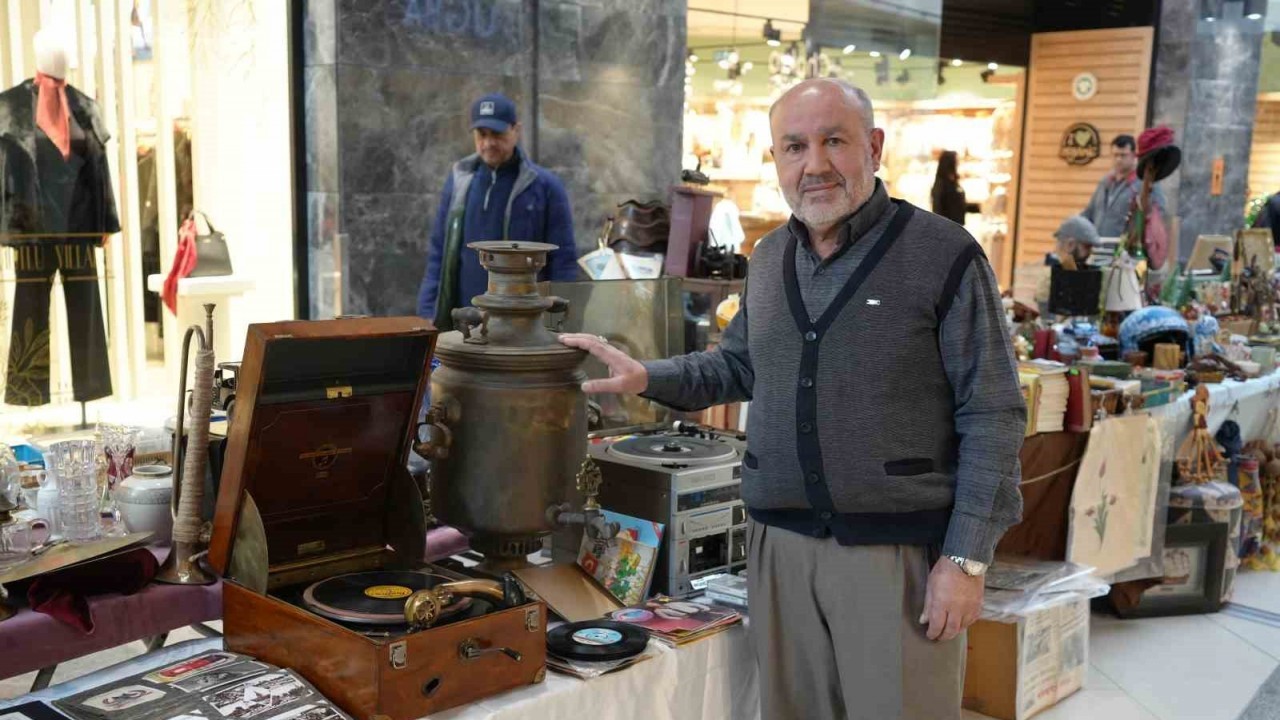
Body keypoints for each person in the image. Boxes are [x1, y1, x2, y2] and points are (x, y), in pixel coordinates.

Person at [562, 79, 1026, 719]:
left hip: (896, 556)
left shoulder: (943, 254)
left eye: (834, 140)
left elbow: (994, 412)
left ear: (875, 146)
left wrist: (966, 560)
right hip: (778, 549)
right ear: (776, 160)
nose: (815, 164)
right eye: (794, 146)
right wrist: (647, 376)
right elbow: (737, 365)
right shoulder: (771, 257)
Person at [417, 93, 577, 328]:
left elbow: (563, 260)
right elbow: (439, 252)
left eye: (497, 134)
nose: (489, 143)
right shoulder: (460, 182)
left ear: (516, 130)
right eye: (482, 134)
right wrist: (428, 310)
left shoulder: (544, 186)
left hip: (524, 324)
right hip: (464, 319)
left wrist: (561, 319)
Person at [1081, 134, 1165, 238]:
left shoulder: (1145, 183)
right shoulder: (1105, 182)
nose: (1118, 159)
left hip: (1125, 250)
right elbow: (1089, 212)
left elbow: (1157, 215)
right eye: (1115, 155)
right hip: (1098, 247)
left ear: (1134, 155)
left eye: (1123, 155)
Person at [930, 150, 977, 225]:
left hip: (958, 225)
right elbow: (938, 209)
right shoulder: (941, 185)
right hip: (947, 227)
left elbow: (958, 204)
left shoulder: (953, 181)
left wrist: (977, 207)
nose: (958, 163)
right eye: (956, 160)